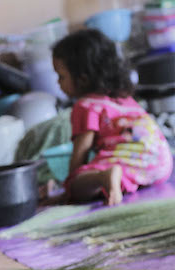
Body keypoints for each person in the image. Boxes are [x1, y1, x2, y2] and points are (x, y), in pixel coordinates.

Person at [52, 29, 173, 206]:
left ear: (83, 79)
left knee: (77, 184)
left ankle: (105, 176)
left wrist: (70, 188)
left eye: (61, 76)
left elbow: (81, 152)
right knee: (117, 172)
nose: (57, 83)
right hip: (161, 164)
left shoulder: (86, 105)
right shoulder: (125, 98)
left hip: (127, 161)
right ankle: (114, 180)